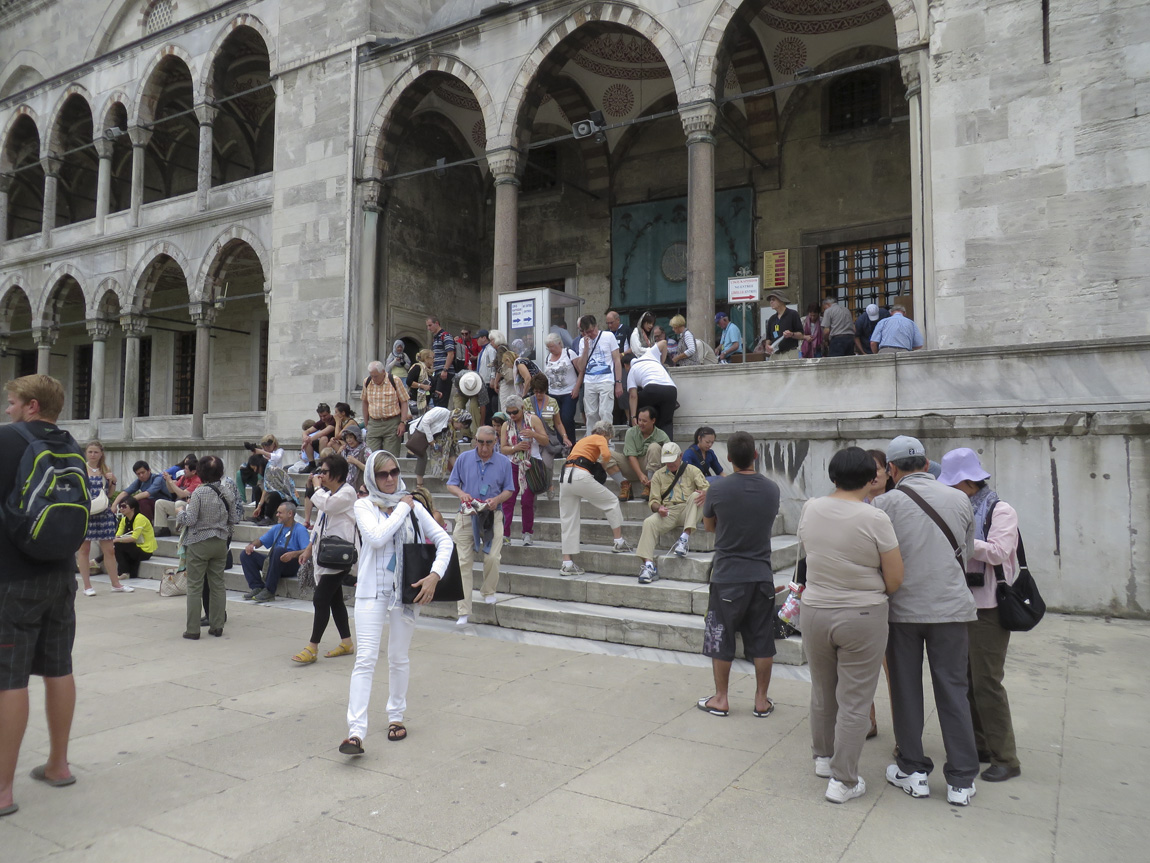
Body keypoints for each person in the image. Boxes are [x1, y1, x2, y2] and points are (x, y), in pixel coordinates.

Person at [872, 435, 980, 805]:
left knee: (905, 689)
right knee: (954, 689)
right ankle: (961, 779)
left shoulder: (883, 504)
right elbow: (965, 547)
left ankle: (913, 769)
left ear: (892, 468)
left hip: (902, 609)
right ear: (927, 462)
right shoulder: (960, 499)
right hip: (951, 608)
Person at [798, 447, 904, 804]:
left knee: (823, 691)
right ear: (871, 478)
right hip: (861, 614)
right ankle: (844, 780)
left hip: (815, 610)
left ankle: (824, 759)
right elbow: (895, 578)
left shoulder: (810, 507)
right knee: (856, 698)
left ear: (832, 476)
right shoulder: (875, 519)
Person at [0, 374, 84, 814]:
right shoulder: (72, 448)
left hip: (12, 578)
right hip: (61, 574)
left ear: (32, 405)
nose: (8, 409)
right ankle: (58, 764)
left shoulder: (7, 441)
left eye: (12, 402)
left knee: (8, 678)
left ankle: (2, 791)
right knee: (58, 667)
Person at [341, 450, 455, 755]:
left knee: (398, 657)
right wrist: (403, 509)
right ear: (372, 478)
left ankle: (396, 716)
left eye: (393, 472)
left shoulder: (413, 505)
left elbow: (445, 540)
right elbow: (377, 538)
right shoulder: (365, 505)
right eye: (382, 474)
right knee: (365, 659)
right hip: (371, 591)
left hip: (405, 593)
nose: (390, 479)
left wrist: (435, 575)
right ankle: (355, 732)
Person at [937, 447, 1023, 783]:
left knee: (987, 682)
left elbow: (1001, 551)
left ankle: (1006, 757)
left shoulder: (1001, 510)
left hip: (990, 607)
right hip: (962, 603)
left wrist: (964, 540)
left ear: (968, 482)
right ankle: (980, 745)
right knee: (967, 681)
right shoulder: (958, 509)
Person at [697, 431, 778, 719]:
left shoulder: (717, 490)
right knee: (762, 638)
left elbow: (709, 527)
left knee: (721, 636)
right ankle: (761, 700)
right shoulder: (772, 489)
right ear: (755, 455)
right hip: (761, 574)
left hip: (727, 575)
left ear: (729, 458)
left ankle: (721, 698)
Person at [446, 426, 516, 625]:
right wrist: (462, 494)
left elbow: (509, 489)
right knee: (462, 563)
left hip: (493, 514)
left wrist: (497, 499)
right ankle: (463, 610)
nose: (484, 447)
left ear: (495, 443)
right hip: (467, 514)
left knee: (493, 556)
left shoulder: (503, 461)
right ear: (475, 440)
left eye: (489, 443)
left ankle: (488, 590)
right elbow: (451, 484)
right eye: (481, 442)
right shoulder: (464, 458)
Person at [293, 454, 358, 662]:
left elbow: (328, 506)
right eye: (320, 471)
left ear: (337, 474)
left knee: (320, 599)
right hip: (326, 556)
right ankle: (346, 642)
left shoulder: (347, 493)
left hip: (340, 558)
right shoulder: (329, 494)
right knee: (335, 600)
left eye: (325, 472)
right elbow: (319, 527)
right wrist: (307, 549)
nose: (321, 475)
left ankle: (312, 647)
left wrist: (316, 488)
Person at [175, 455, 239, 639]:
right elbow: (234, 519)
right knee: (218, 584)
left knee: (195, 586)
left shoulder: (199, 493)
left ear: (201, 472)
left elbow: (190, 519)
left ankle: (193, 629)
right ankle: (217, 625)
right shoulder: (227, 492)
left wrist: (180, 513)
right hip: (220, 542)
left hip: (199, 542)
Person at [558, 420, 631, 575]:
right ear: (606, 433)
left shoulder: (582, 440)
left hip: (565, 477)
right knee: (611, 501)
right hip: (580, 475)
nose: (608, 440)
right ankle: (618, 542)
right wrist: (603, 466)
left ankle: (567, 563)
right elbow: (606, 454)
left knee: (568, 519)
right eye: (610, 438)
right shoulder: (600, 438)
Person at [636, 442, 709, 584]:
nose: (670, 464)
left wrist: (707, 493)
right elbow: (653, 501)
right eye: (667, 462)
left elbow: (706, 488)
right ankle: (649, 565)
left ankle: (684, 539)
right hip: (669, 511)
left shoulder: (692, 470)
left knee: (696, 495)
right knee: (648, 522)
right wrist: (659, 508)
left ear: (680, 456)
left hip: (689, 510)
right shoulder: (658, 475)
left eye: (672, 461)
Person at [75, 440, 132, 595]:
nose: (93, 455)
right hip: (87, 512)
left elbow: (109, 494)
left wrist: (112, 481)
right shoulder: (81, 469)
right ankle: (87, 586)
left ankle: (116, 583)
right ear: (86, 453)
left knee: (109, 550)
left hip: (103, 511)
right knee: (84, 549)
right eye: (90, 452)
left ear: (101, 454)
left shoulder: (105, 469)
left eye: (96, 452)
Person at [500, 395, 549, 546]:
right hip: (513, 464)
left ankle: (527, 533)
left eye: (515, 412)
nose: (512, 415)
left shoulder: (533, 419)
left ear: (522, 408)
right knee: (508, 500)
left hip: (530, 463)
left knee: (527, 501)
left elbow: (546, 441)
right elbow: (503, 449)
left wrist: (533, 434)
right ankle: (505, 534)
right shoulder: (506, 425)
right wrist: (516, 448)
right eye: (509, 413)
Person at [239, 501, 309, 602]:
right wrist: (252, 545)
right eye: (277, 512)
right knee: (246, 555)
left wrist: (293, 554)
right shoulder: (277, 528)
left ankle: (269, 591)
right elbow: (261, 541)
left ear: (290, 514)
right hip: (275, 560)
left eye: (280, 513)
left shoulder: (300, 529)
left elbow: (307, 550)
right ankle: (257, 587)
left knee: (278, 550)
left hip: (291, 564)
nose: (277, 515)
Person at [571, 314, 623, 431]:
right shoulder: (582, 342)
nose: (590, 334)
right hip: (589, 381)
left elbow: (617, 360)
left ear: (596, 326)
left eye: (592, 331)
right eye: (587, 332)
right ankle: (592, 440)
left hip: (606, 379)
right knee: (590, 414)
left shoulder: (608, 336)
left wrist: (618, 382)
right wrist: (585, 348)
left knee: (605, 412)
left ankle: (607, 441)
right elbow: (581, 366)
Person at [615, 406, 669, 502]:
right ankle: (624, 484)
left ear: (653, 420)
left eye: (644, 421)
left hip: (652, 467)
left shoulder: (662, 435)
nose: (641, 423)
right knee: (605, 455)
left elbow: (670, 456)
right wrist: (640, 475)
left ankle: (650, 485)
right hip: (632, 467)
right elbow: (631, 456)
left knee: (654, 447)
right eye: (639, 420)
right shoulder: (631, 432)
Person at [528, 374, 572, 491]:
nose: (538, 395)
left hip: (548, 439)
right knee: (534, 465)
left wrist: (564, 437)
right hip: (532, 440)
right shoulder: (527, 402)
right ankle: (537, 487)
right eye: (536, 392)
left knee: (547, 464)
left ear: (546, 390)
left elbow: (558, 423)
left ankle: (549, 485)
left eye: (541, 392)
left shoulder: (552, 402)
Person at [362, 360, 411, 455]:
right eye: (371, 376)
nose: (373, 378)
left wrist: (402, 422)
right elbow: (364, 402)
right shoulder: (367, 382)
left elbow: (404, 402)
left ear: (383, 372)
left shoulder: (395, 380)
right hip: (374, 423)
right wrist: (366, 422)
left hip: (392, 423)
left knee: (390, 456)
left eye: (375, 376)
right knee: (371, 456)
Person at [627, 352, 677, 437]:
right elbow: (663, 343)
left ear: (626, 365)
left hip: (652, 389)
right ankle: (668, 448)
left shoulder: (633, 369)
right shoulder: (653, 361)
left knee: (636, 408)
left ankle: (636, 436)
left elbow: (633, 396)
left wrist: (633, 417)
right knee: (667, 423)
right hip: (671, 390)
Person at [543, 333, 579, 439]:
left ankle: (571, 442)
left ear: (559, 343)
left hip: (569, 392)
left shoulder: (569, 353)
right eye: (548, 347)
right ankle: (560, 444)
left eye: (552, 346)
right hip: (553, 392)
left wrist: (577, 387)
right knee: (555, 419)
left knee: (566, 418)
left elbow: (580, 370)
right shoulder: (548, 357)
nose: (550, 349)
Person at [154, 455, 201, 536]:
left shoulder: (197, 480)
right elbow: (171, 490)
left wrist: (171, 482)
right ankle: (163, 529)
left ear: (193, 471)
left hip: (190, 508)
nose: (184, 471)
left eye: (186, 469)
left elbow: (182, 494)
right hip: (178, 505)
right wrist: (168, 481)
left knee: (179, 503)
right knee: (160, 503)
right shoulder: (183, 477)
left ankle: (180, 530)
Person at [112, 496, 157, 579]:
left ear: (132, 508)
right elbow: (118, 535)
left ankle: (123, 572)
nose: (122, 509)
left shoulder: (140, 518)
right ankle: (124, 572)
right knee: (117, 545)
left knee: (118, 544)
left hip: (145, 550)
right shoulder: (124, 520)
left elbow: (134, 538)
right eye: (120, 506)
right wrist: (114, 540)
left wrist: (116, 540)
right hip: (134, 547)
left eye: (124, 506)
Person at [426, 316, 457, 408]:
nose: (428, 328)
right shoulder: (436, 338)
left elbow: (450, 354)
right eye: (427, 326)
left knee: (441, 399)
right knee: (436, 398)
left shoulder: (445, 336)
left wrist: (445, 369)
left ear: (437, 323)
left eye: (430, 325)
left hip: (444, 372)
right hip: (438, 371)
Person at [300, 404, 337, 470]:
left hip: (333, 444)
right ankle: (311, 464)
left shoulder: (333, 420)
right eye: (320, 416)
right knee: (308, 440)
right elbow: (306, 431)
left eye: (325, 416)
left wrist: (308, 440)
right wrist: (305, 438)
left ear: (329, 413)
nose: (323, 418)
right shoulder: (321, 422)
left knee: (323, 438)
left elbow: (324, 432)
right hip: (323, 446)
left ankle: (322, 462)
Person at [475, 329, 498, 423]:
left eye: (478, 338)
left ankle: (490, 425)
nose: (477, 340)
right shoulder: (482, 351)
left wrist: (493, 378)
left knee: (488, 407)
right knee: (484, 406)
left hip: (488, 382)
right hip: (482, 382)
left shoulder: (490, 350)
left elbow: (494, 365)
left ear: (484, 338)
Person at [405, 350, 435, 417]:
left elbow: (429, 384)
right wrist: (422, 386)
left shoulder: (428, 370)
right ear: (426, 358)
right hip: (415, 401)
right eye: (432, 358)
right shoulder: (417, 367)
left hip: (426, 401)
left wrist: (435, 391)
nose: (434, 360)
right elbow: (409, 382)